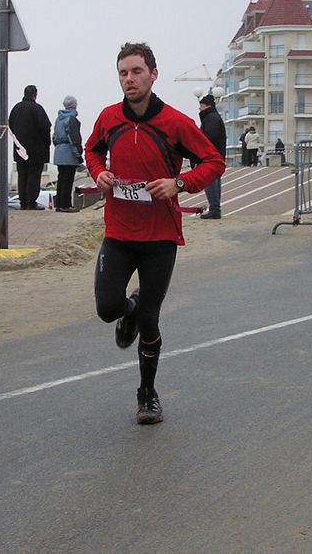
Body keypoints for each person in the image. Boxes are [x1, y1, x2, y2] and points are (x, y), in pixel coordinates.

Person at [85, 42, 224, 425]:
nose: (129, 79)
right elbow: (91, 150)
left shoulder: (176, 123)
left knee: (151, 319)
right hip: (119, 231)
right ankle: (126, 311)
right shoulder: (109, 117)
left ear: (153, 74)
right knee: (107, 307)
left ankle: (147, 395)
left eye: (136, 72)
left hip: (160, 238)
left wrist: (179, 183)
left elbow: (214, 162)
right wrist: (99, 173)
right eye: (123, 73)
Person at [8, 85, 52, 210]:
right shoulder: (37, 109)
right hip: (35, 150)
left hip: (19, 149)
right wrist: (46, 143)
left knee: (22, 176)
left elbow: (10, 125)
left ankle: (23, 202)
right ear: (35, 94)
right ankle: (31, 202)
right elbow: (45, 127)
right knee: (33, 176)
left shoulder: (16, 108)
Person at [197, 93, 226, 219]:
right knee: (214, 182)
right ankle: (215, 208)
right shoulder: (214, 117)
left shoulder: (211, 119)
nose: (199, 109)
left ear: (206, 106)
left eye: (201, 106)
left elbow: (207, 139)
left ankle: (214, 209)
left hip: (210, 157)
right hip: (216, 156)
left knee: (210, 182)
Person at [52, 95, 83, 213]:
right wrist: (78, 154)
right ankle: (66, 205)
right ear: (74, 105)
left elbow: (54, 137)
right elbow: (74, 138)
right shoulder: (72, 119)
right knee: (68, 180)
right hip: (69, 152)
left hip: (59, 151)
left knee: (61, 179)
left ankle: (59, 204)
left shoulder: (58, 119)